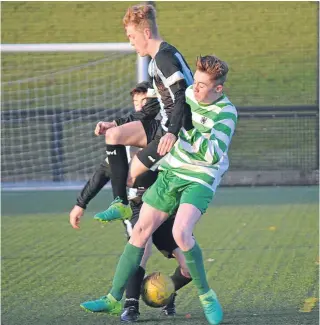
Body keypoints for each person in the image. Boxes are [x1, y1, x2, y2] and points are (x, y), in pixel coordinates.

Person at [80, 55, 237, 325]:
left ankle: (207, 296)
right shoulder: (188, 93)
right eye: (195, 83)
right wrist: (119, 125)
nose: (195, 89)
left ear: (218, 89)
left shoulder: (226, 113)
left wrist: (182, 129)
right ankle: (113, 299)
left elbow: (212, 154)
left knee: (181, 232)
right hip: (172, 172)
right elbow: (162, 113)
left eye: (202, 85)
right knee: (140, 231)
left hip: (199, 177)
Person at [69, 81, 192, 322]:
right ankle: (131, 305)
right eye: (136, 104)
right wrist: (80, 203)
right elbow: (101, 174)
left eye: (145, 103)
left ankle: (167, 290)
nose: (140, 108)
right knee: (141, 248)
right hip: (136, 209)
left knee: (189, 265)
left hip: (164, 208)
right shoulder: (122, 148)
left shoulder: (166, 142)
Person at [93, 3, 194, 223]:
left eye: (131, 36)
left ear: (146, 33)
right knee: (114, 136)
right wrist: (115, 123)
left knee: (130, 177)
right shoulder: (157, 59)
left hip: (178, 134)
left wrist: (173, 133)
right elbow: (149, 109)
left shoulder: (164, 59)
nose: (130, 42)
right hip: (164, 126)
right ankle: (120, 203)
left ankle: (151, 212)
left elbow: (181, 97)